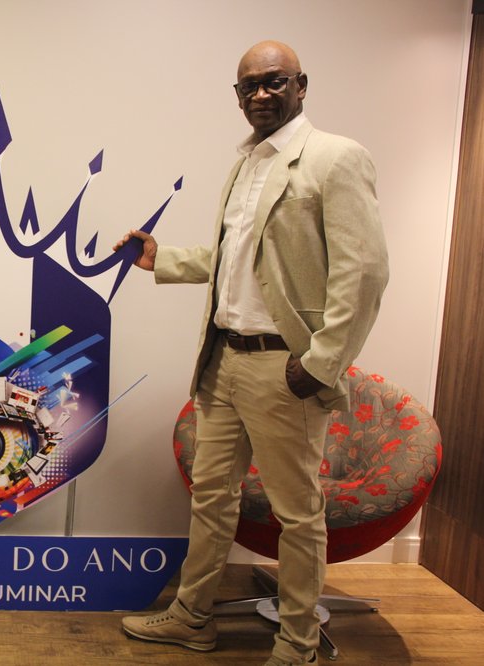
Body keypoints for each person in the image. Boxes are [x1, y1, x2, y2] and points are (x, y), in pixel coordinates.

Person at [114, 41, 388, 666]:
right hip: (223, 360)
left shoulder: (335, 158)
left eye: (274, 82)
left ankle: (297, 645)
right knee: (212, 498)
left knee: (298, 515)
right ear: (237, 96)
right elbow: (240, 259)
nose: (261, 94)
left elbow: (365, 274)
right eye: (249, 87)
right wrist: (166, 259)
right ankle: (192, 618)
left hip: (284, 368)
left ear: (301, 85)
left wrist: (320, 363)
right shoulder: (245, 165)